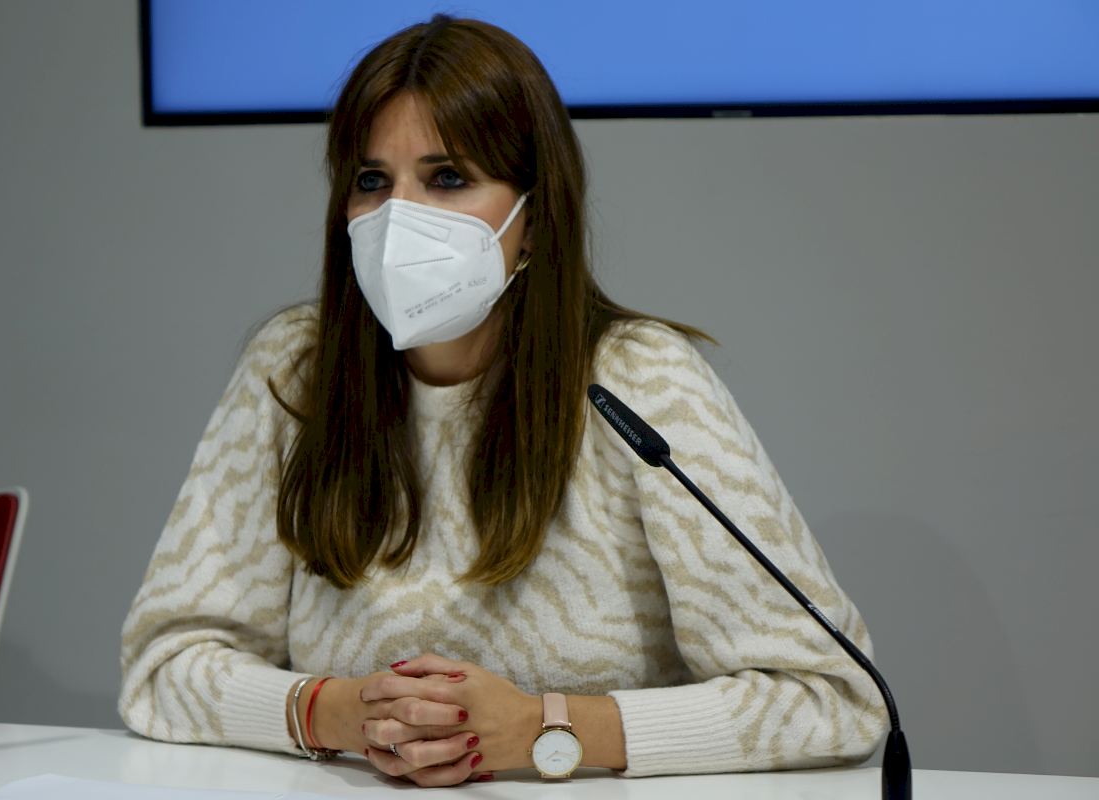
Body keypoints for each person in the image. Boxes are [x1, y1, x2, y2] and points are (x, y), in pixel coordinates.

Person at [119, 14, 887, 787]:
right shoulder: (295, 369)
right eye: (372, 181)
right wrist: (338, 712)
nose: (398, 217)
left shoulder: (640, 380)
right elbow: (163, 667)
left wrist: (546, 729)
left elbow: (831, 697)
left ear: (535, 216)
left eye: (448, 178)